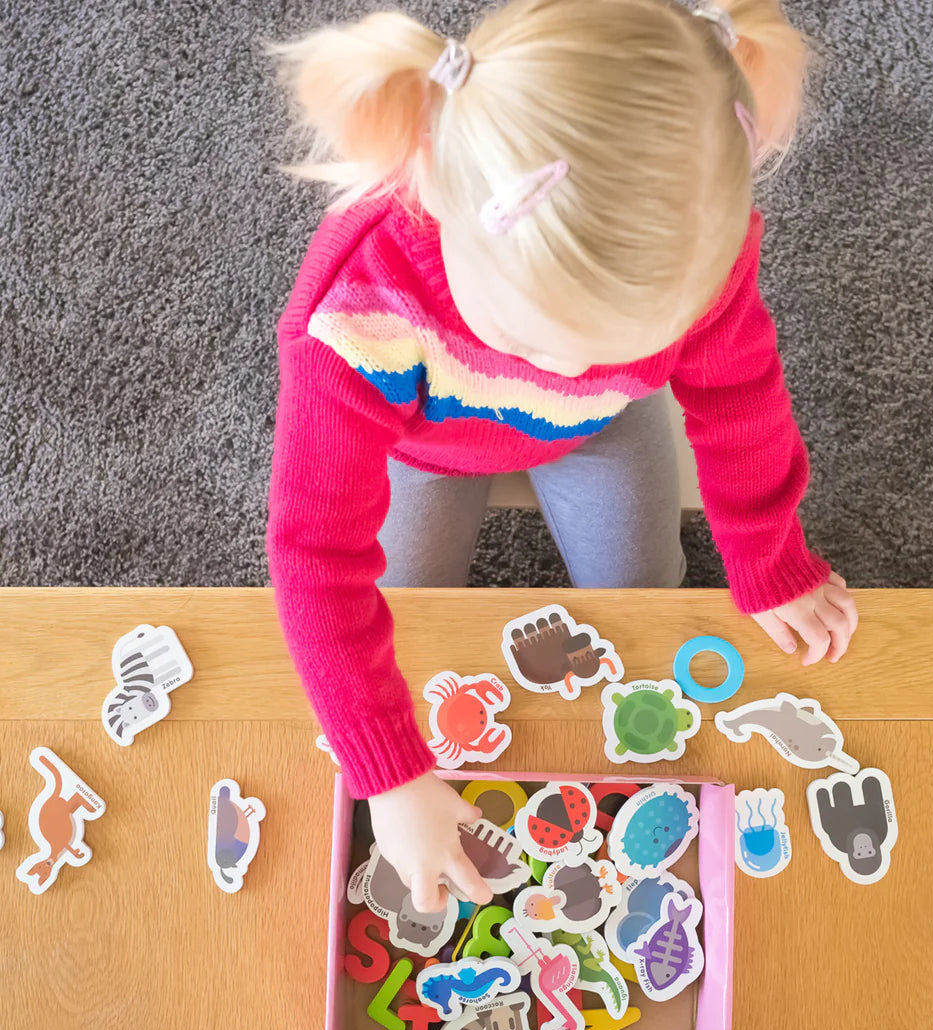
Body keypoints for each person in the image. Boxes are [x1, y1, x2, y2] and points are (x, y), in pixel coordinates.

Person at [265, 0, 858, 913]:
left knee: (642, 599)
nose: (576, 367)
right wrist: (387, 773)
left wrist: (769, 558)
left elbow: (740, 399)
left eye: (621, 347)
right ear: (433, 185)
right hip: (423, 441)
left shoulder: (698, 251)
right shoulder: (355, 320)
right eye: (534, 339)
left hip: (599, 430)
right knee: (412, 623)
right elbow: (314, 557)